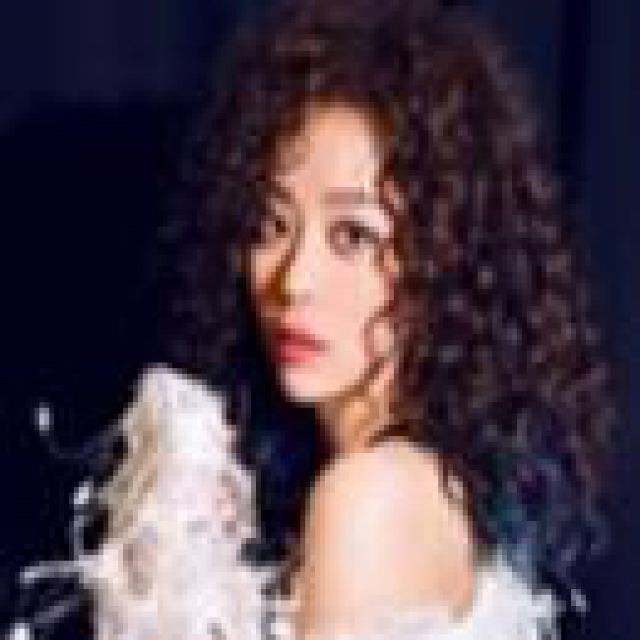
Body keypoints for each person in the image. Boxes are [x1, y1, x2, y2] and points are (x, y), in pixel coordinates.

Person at [7, 0, 620, 638]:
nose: (293, 280)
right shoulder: (433, 479)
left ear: (446, 256)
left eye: (353, 236)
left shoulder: (368, 499)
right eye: (270, 224)